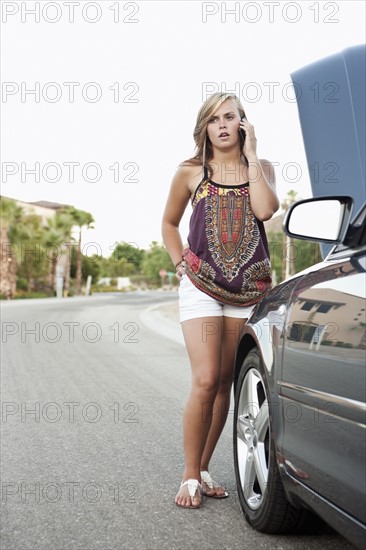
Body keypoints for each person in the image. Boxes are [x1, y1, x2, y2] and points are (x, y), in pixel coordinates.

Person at [161, 92, 279, 509]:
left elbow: (265, 211)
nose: (223, 125)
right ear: (205, 128)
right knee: (206, 379)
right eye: (215, 120)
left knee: (227, 385)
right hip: (200, 286)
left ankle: (205, 469)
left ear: (243, 124)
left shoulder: (261, 169)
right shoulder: (191, 171)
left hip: (249, 291)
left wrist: (253, 153)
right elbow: (169, 223)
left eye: (231, 117)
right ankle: (189, 474)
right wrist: (179, 262)